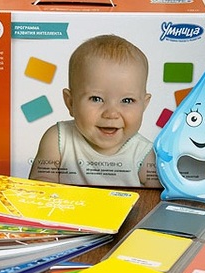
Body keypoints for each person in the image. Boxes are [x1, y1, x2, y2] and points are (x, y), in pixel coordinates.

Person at [29, 34, 161, 188]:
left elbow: (159, 197)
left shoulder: (145, 154)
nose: (111, 114)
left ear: (144, 105)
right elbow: (41, 186)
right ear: (70, 102)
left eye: (127, 101)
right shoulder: (58, 140)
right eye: (96, 99)